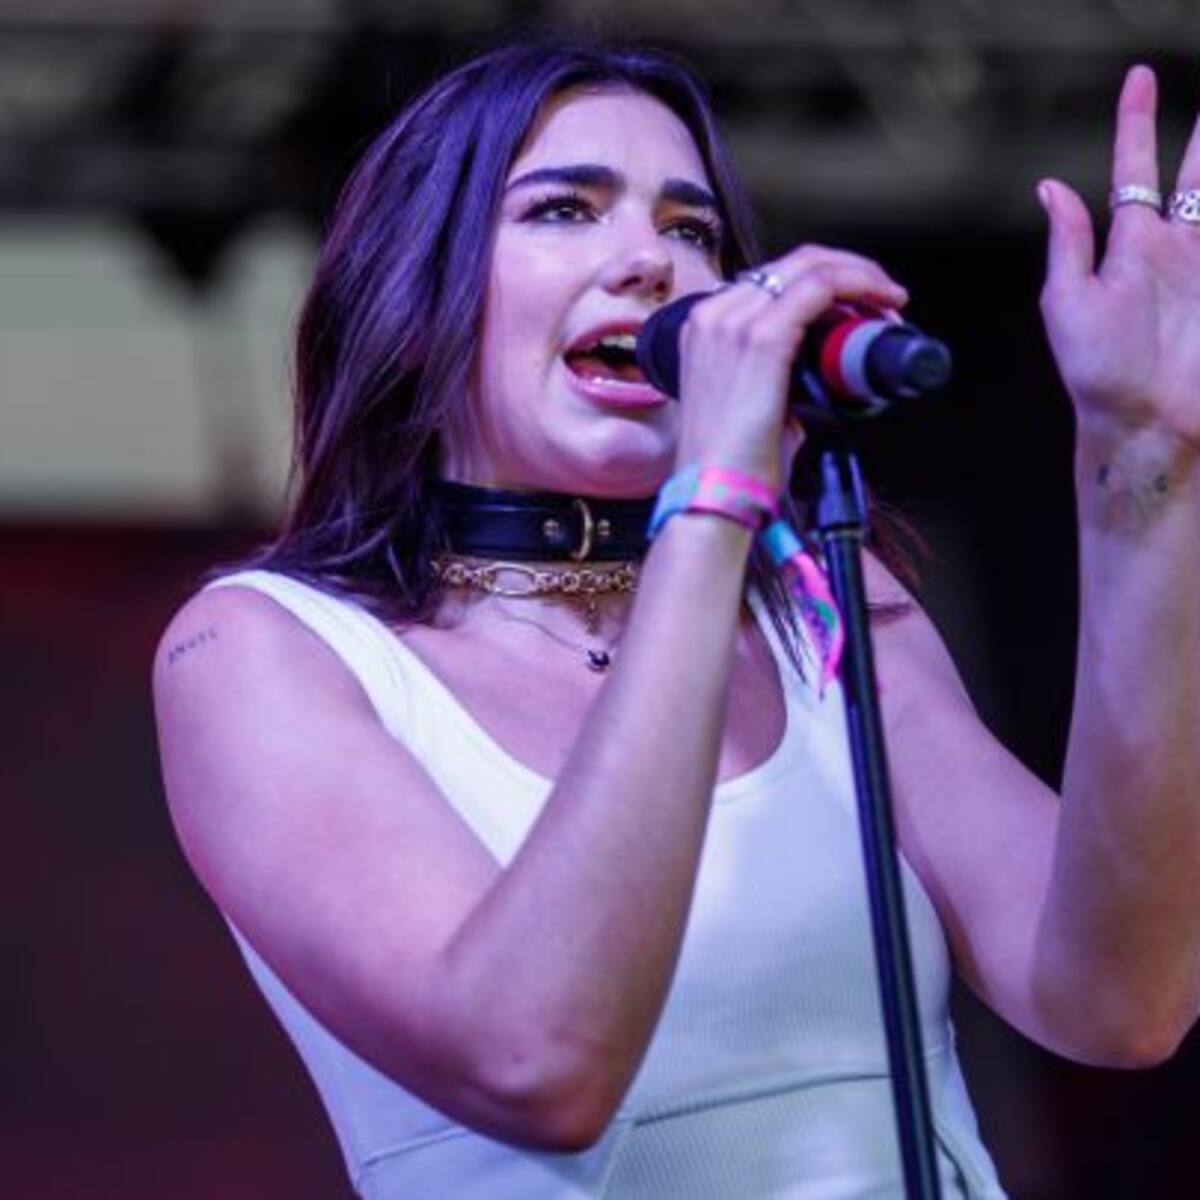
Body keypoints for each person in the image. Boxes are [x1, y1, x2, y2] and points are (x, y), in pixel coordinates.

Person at [152, 37, 1200, 1199]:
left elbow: (1119, 999)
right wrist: (715, 497)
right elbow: (536, 1061)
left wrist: (1146, 456)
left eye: (692, 229)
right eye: (564, 210)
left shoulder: (816, 604)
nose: (650, 261)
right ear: (419, 288)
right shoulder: (262, 652)